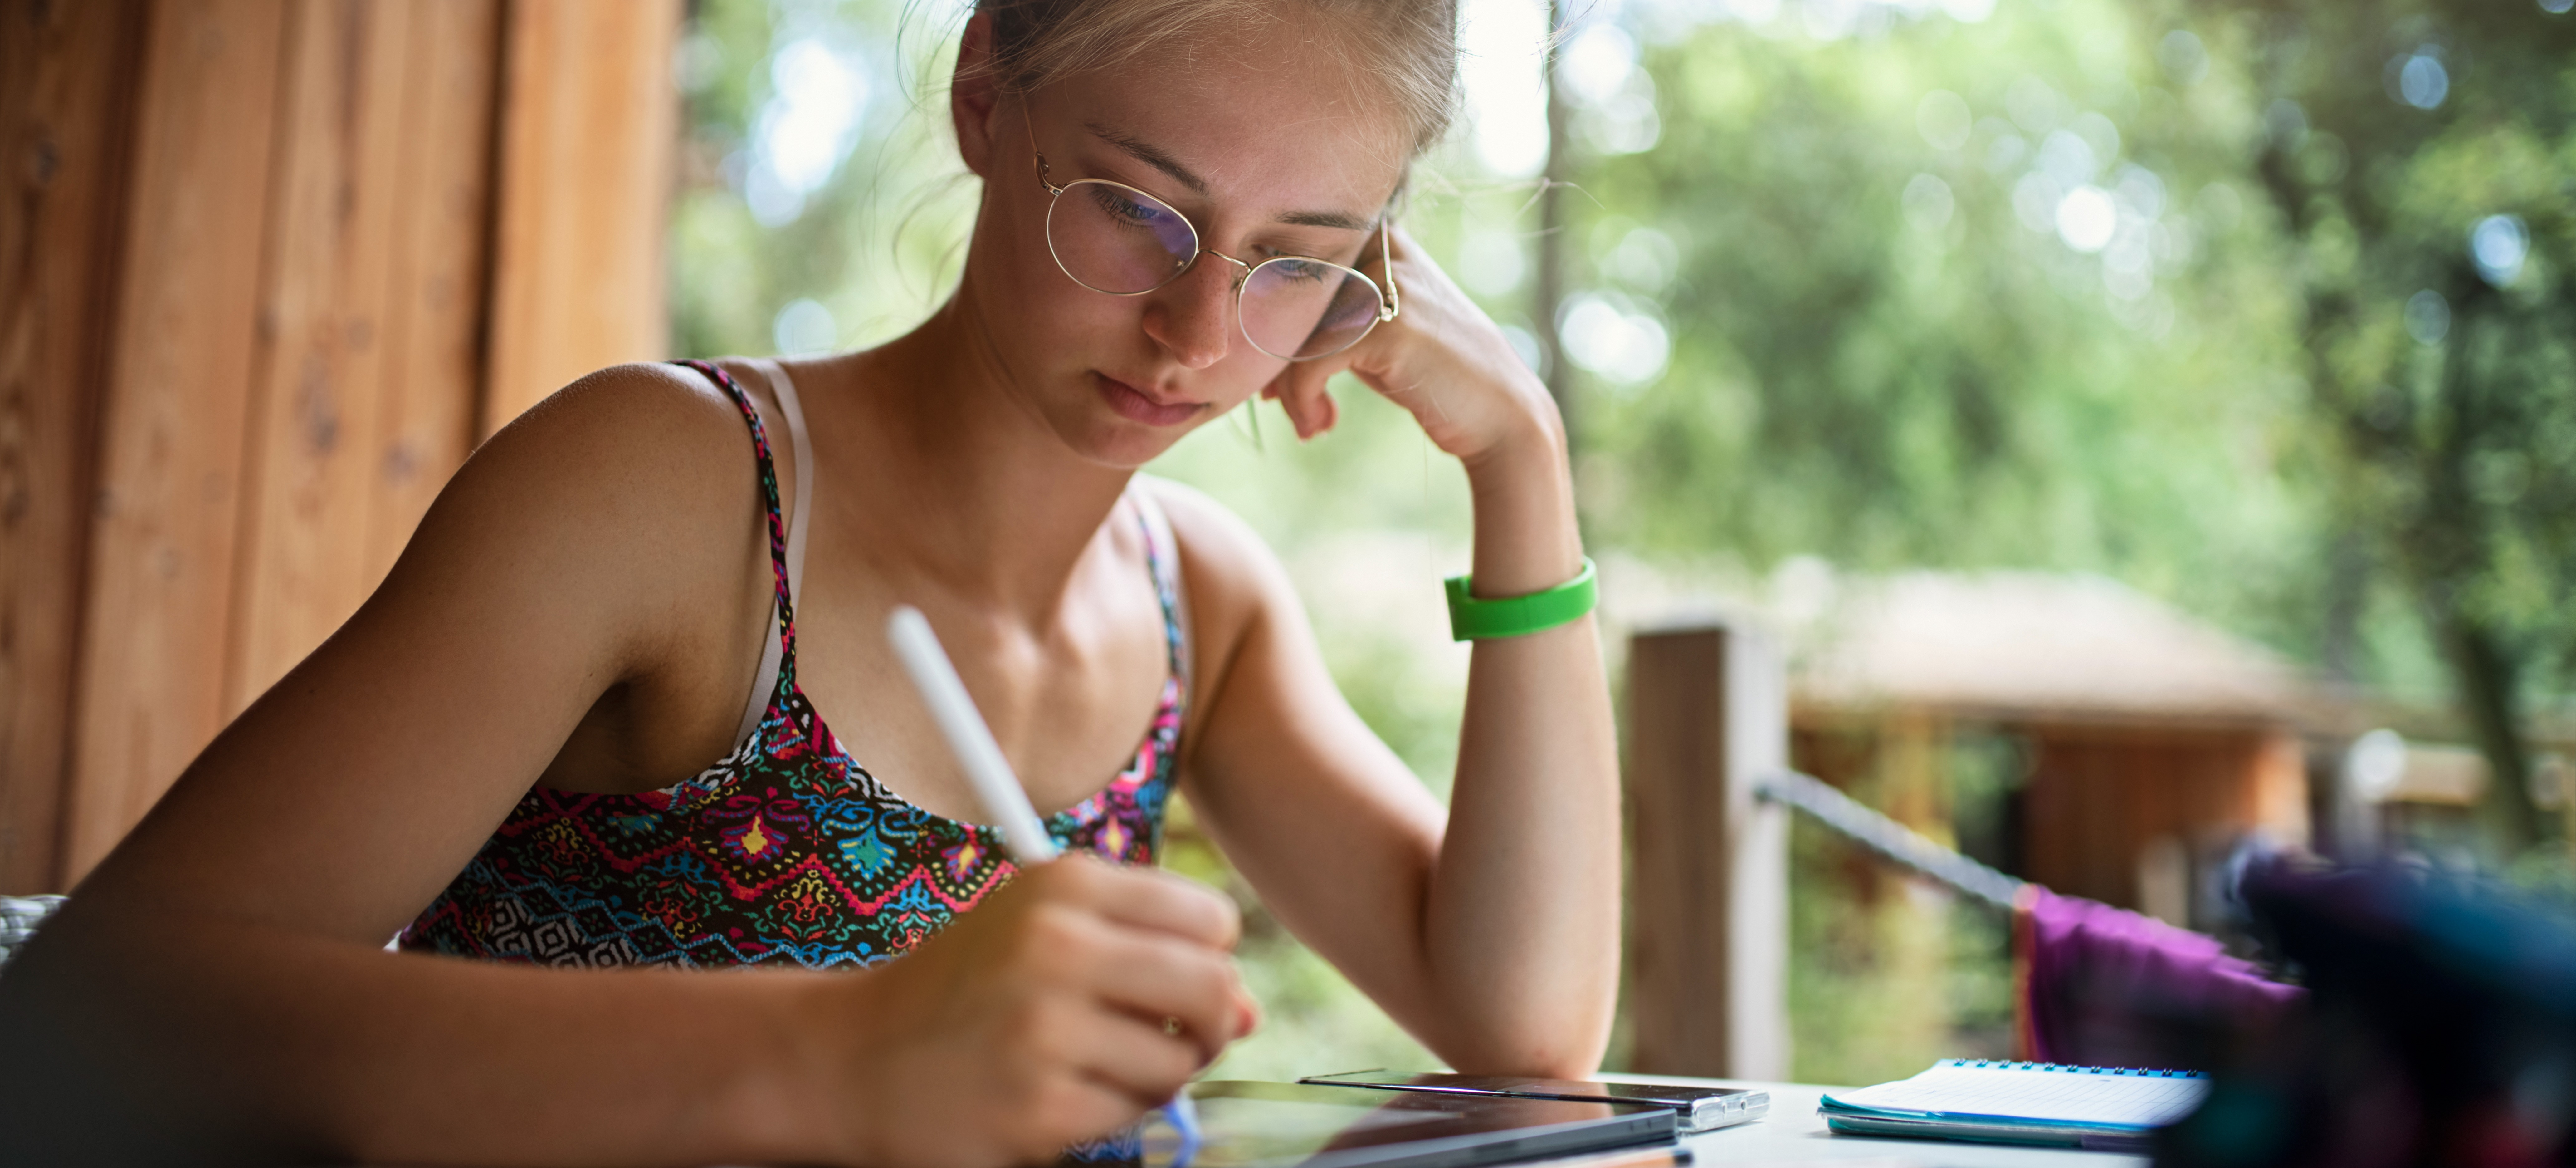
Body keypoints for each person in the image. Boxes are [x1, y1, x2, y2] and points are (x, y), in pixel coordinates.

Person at [0, 1, 1619, 1164]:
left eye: (1298, 255)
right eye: (1137, 207)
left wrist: (1522, 464)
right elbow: (80, 1030)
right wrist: (841, 1058)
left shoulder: (1202, 602)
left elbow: (1530, 1042)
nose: (1201, 336)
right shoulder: (674, 493)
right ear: (987, 93)